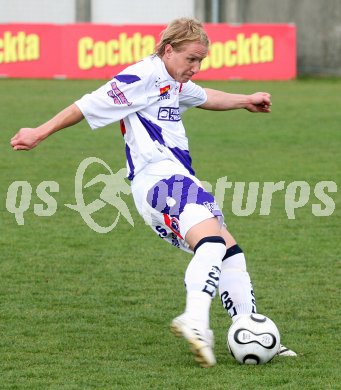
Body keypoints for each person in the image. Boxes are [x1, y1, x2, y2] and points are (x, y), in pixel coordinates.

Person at [11, 18, 296, 367]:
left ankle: (247, 325)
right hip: (159, 180)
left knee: (230, 252)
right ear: (167, 49)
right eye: (191, 58)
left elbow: (207, 96)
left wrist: (245, 100)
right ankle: (195, 318)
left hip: (172, 180)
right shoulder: (142, 76)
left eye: (201, 60)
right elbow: (86, 104)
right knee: (213, 244)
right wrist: (40, 132)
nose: (196, 67)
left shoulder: (174, 81)